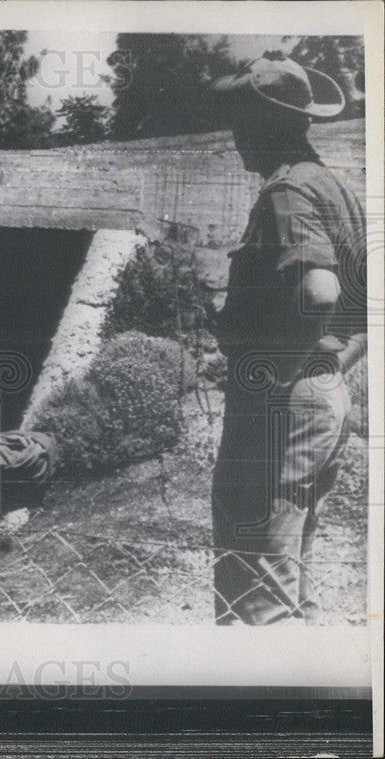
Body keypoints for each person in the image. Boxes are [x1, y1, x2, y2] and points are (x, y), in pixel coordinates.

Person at [208, 52, 366, 625]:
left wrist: (274, 378)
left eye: (240, 121)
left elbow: (320, 296)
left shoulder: (287, 192)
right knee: (292, 576)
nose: (235, 136)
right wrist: (330, 369)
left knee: (256, 597)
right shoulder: (334, 188)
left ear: (262, 123)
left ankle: (254, 706)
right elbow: (363, 307)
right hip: (320, 397)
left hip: (281, 405)